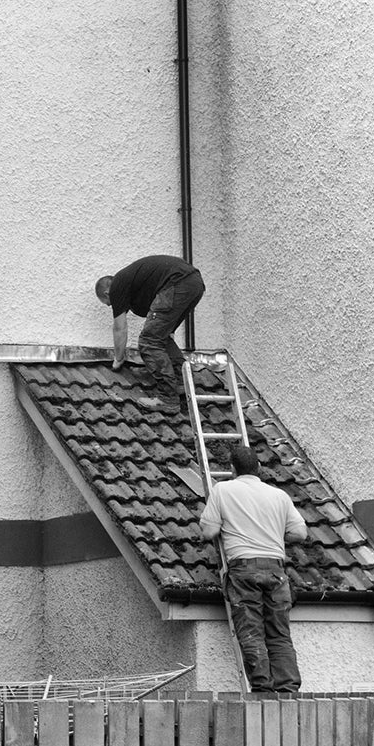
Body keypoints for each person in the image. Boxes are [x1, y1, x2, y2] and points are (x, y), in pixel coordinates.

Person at [198, 442, 306, 695]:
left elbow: (209, 531)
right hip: (276, 571)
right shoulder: (279, 495)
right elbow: (300, 533)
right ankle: (289, 688)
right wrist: (274, 534)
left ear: (233, 469)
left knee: (251, 631)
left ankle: (263, 689)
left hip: (244, 568)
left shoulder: (223, 490)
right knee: (279, 633)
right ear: (258, 467)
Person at [97, 254, 205, 409]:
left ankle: (167, 399)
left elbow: (120, 328)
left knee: (149, 341)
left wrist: (118, 359)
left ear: (107, 293)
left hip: (177, 283)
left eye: (107, 303)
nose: (110, 306)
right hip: (195, 283)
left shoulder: (117, 285)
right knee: (160, 338)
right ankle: (181, 383)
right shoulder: (134, 286)